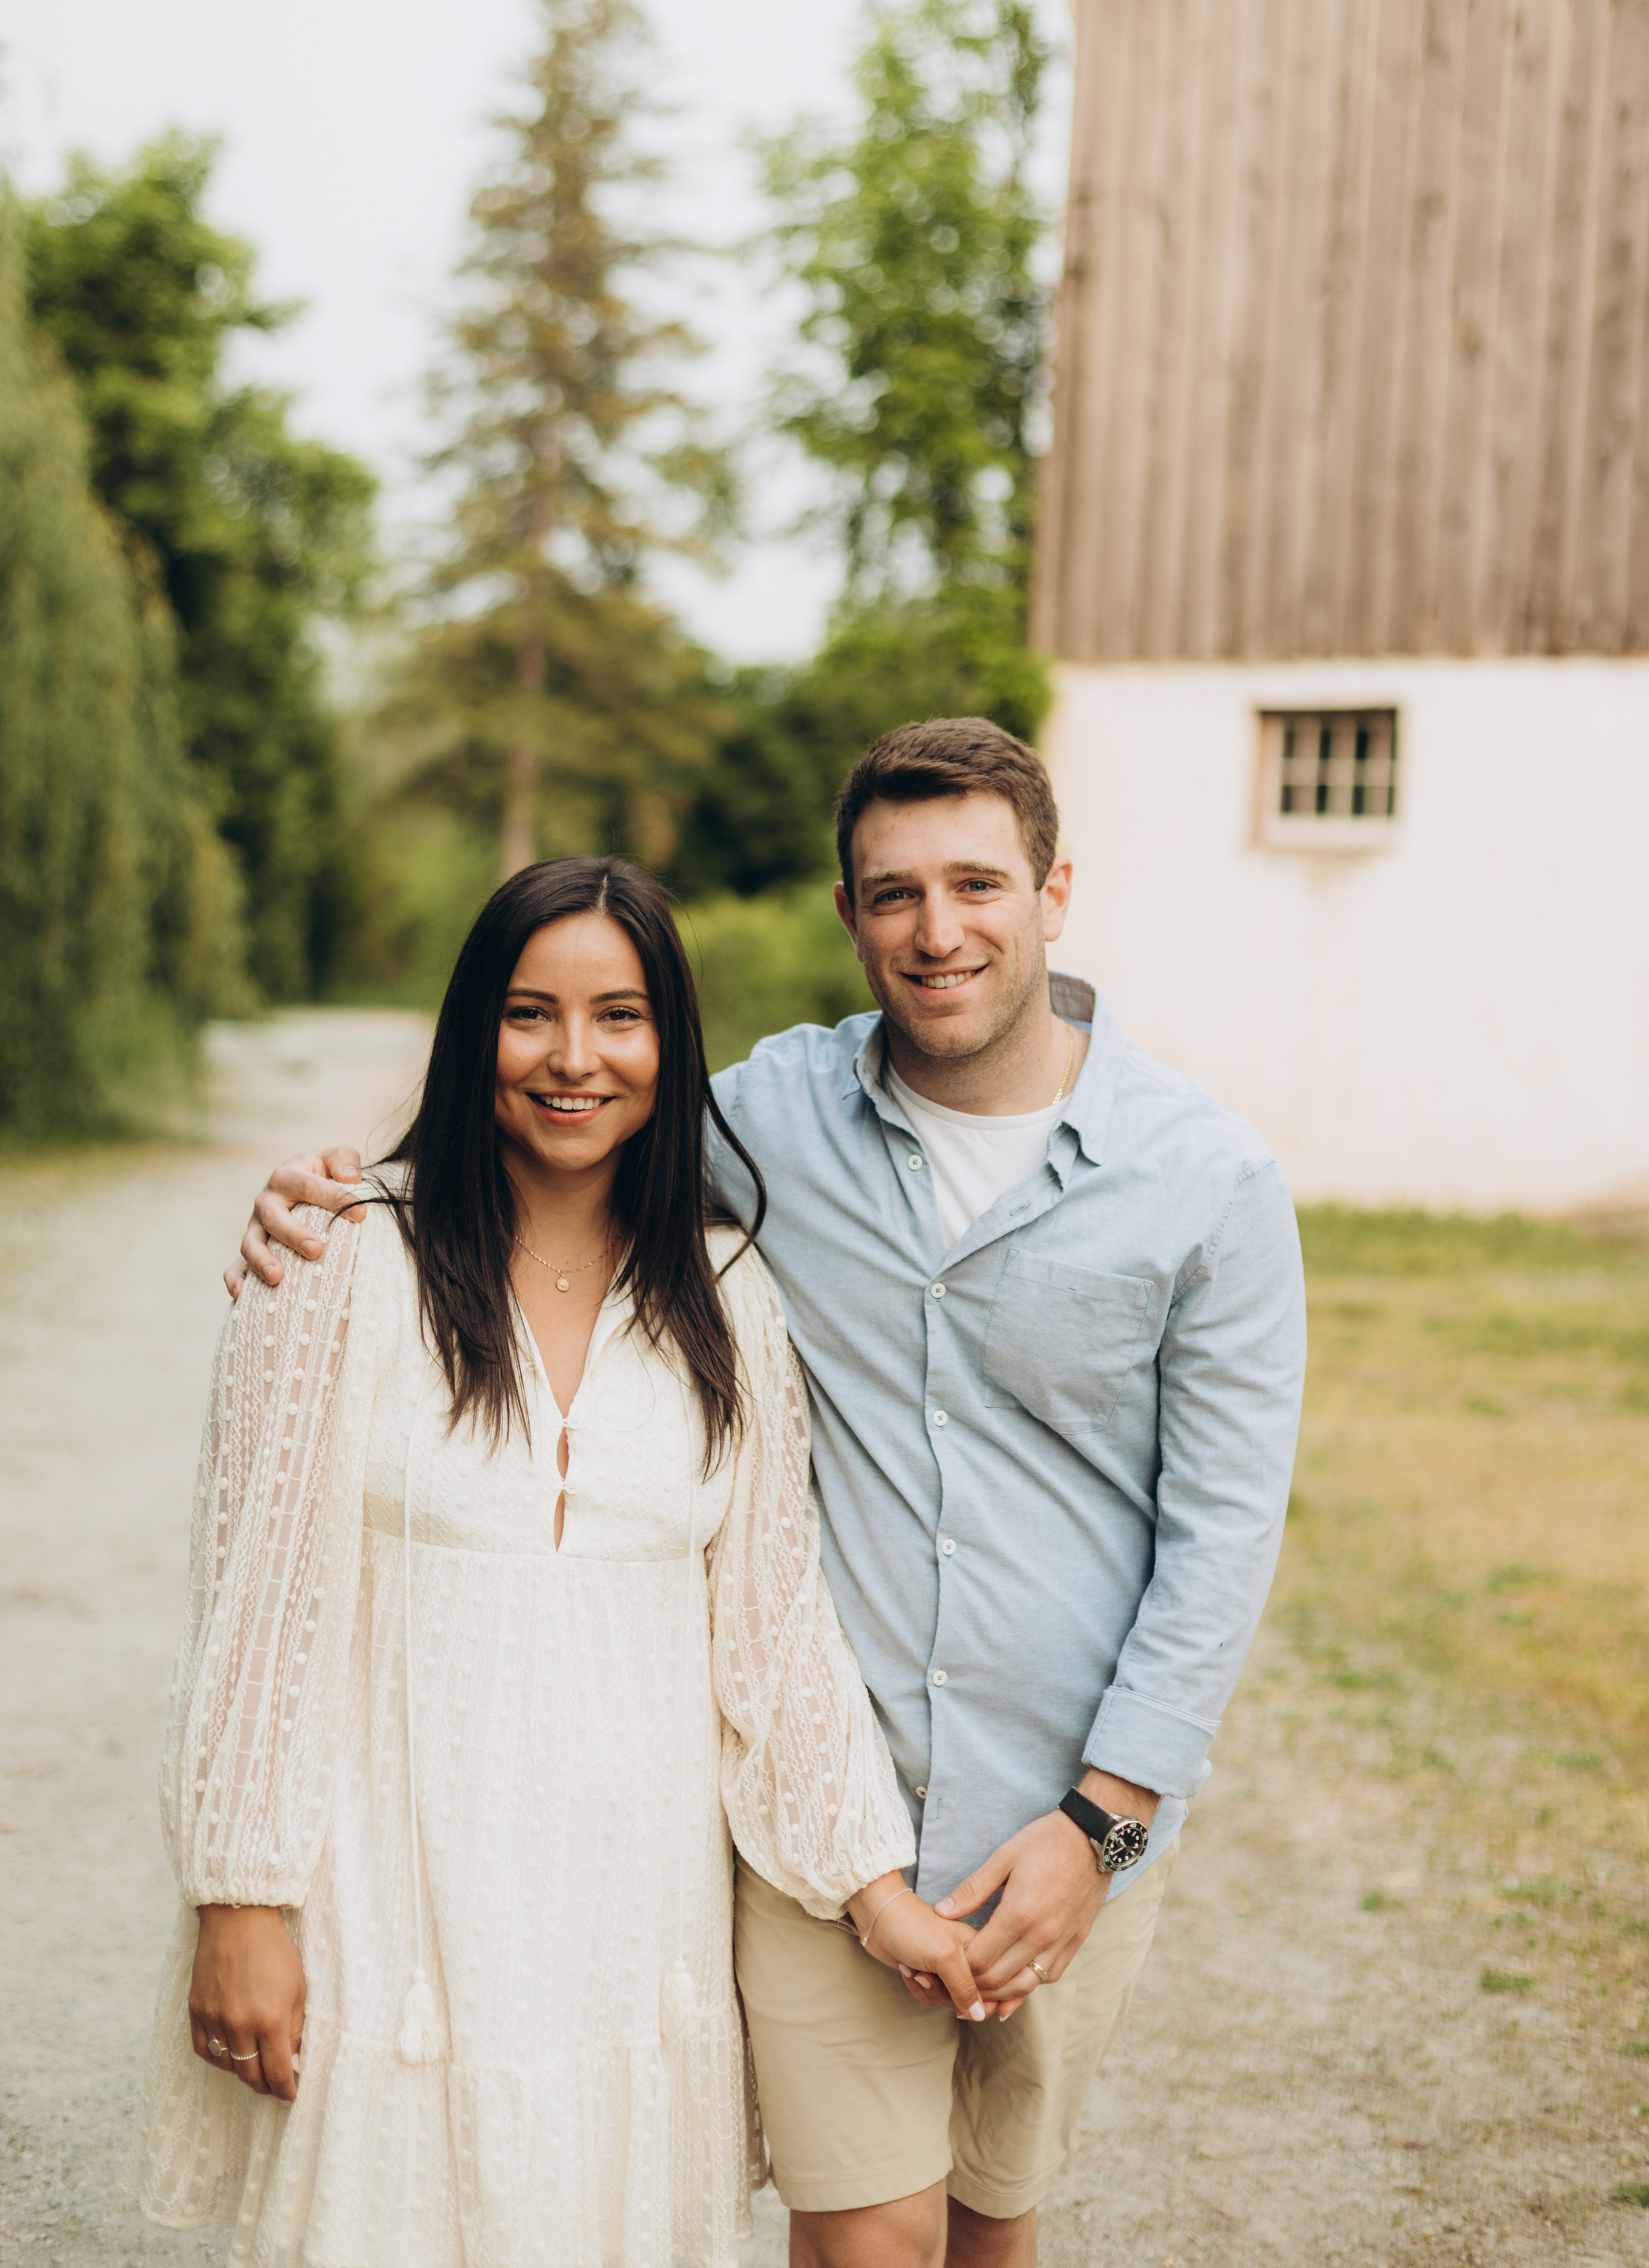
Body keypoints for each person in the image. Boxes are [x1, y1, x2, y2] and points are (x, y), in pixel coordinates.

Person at [232, 719, 1308, 2268]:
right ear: (846, 913)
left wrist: (1104, 1824)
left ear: (1053, 890)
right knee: (872, 2235)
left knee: (992, 2229)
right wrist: (331, 1201)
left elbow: (1222, 1537)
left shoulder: (1208, 1181)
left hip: (1058, 1811)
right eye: (891, 894)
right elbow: (575, 1113)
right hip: (821, 1805)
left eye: (975, 886)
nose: (936, 932)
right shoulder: (762, 1122)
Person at [134, 856, 990, 2268]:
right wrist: (239, 1895)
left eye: (621, 1017)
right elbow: (252, 1601)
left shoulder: (727, 1293)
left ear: (673, 1044)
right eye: (529, 1015)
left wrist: (871, 1884)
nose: (573, 1059)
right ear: (473, 1030)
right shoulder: (345, 1258)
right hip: (391, 1894)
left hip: (626, 1915)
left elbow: (771, 1633)